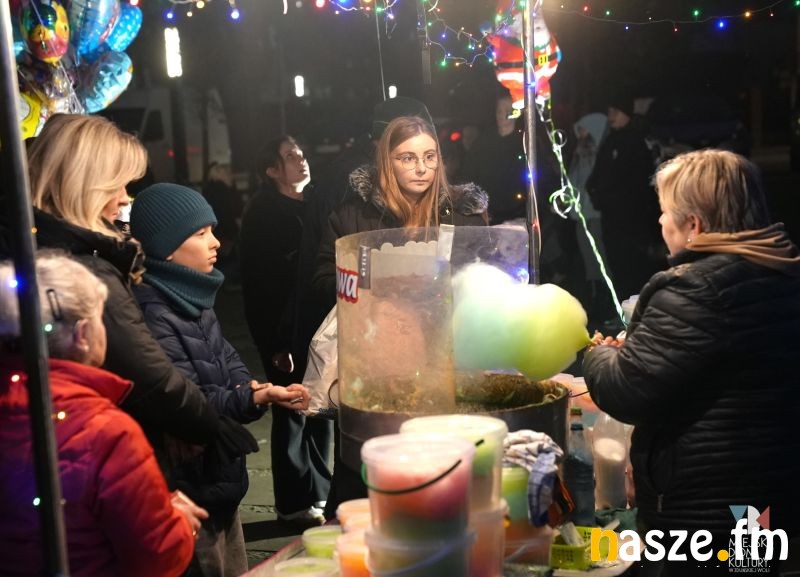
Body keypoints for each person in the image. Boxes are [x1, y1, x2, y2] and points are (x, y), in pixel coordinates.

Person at [583, 149, 800, 576]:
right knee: (754, 571)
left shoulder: (696, 289)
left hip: (705, 510)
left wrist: (598, 355)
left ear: (694, 226)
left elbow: (626, 391)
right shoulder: (781, 272)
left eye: (666, 212)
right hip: (763, 496)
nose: (661, 221)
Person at [13, 114, 257, 481]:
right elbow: (150, 375)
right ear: (85, 183)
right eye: (118, 184)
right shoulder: (87, 270)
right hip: (95, 459)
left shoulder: (38, 248)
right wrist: (210, 424)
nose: (126, 197)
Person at [129, 183, 310, 576]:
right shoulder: (153, 312)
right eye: (200, 233)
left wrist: (251, 386)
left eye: (212, 230)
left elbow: (226, 355)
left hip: (217, 474)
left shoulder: (192, 295)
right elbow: (186, 401)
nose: (215, 242)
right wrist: (252, 399)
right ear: (166, 248)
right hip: (189, 485)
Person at [312, 115, 489, 515]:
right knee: (373, 474)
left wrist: (445, 289)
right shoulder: (353, 215)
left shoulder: (462, 213)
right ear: (386, 162)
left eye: (429, 156)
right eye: (407, 158)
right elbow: (323, 277)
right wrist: (375, 283)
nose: (421, 168)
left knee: (437, 473)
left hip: (446, 360)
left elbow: (484, 277)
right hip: (377, 362)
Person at [0, 252, 206, 577]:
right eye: (101, 318)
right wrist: (178, 519)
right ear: (83, 335)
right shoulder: (107, 432)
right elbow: (157, 557)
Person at [240, 136, 332, 525]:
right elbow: (259, 286)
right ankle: (293, 501)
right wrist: (275, 342)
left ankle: (320, 491)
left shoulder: (315, 205)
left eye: (301, 153)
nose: (301, 160)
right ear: (271, 170)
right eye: (290, 156)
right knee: (291, 409)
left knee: (321, 405)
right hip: (282, 327)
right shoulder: (262, 215)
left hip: (315, 324)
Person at [586, 91, 665, 302]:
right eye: (609, 111)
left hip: (632, 220)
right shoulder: (611, 140)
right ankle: (624, 306)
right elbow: (598, 174)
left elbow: (640, 183)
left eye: (615, 111)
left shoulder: (636, 141)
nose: (610, 116)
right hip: (611, 217)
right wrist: (595, 193)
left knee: (634, 266)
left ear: (625, 113)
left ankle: (640, 308)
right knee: (617, 264)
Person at [460, 89, 527, 224]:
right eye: (499, 111)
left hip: (516, 215)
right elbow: (469, 172)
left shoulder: (524, 143)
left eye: (506, 111)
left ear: (515, 113)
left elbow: (540, 175)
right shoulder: (484, 141)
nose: (501, 115)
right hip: (487, 214)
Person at [202, 163, 242, 276]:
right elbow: (233, 212)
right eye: (228, 173)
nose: (231, 176)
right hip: (226, 233)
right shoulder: (225, 192)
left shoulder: (209, 190)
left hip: (215, 232)